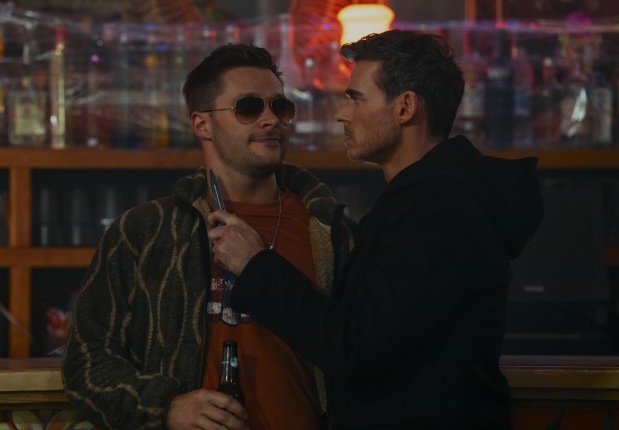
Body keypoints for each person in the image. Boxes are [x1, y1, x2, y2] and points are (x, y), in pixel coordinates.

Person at [208, 30, 544, 429]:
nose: (341, 114)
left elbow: (354, 346)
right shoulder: (431, 200)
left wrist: (255, 265)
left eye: (356, 98)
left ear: (405, 107)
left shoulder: (438, 210)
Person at [61, 43, 355, 430]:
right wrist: (166, 408)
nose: (271, 120)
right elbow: (86, 362)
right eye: (249, 107)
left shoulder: (329, 231)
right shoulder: (146, 231)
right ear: (202, 125)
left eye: (280, 107)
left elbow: (363, 352)